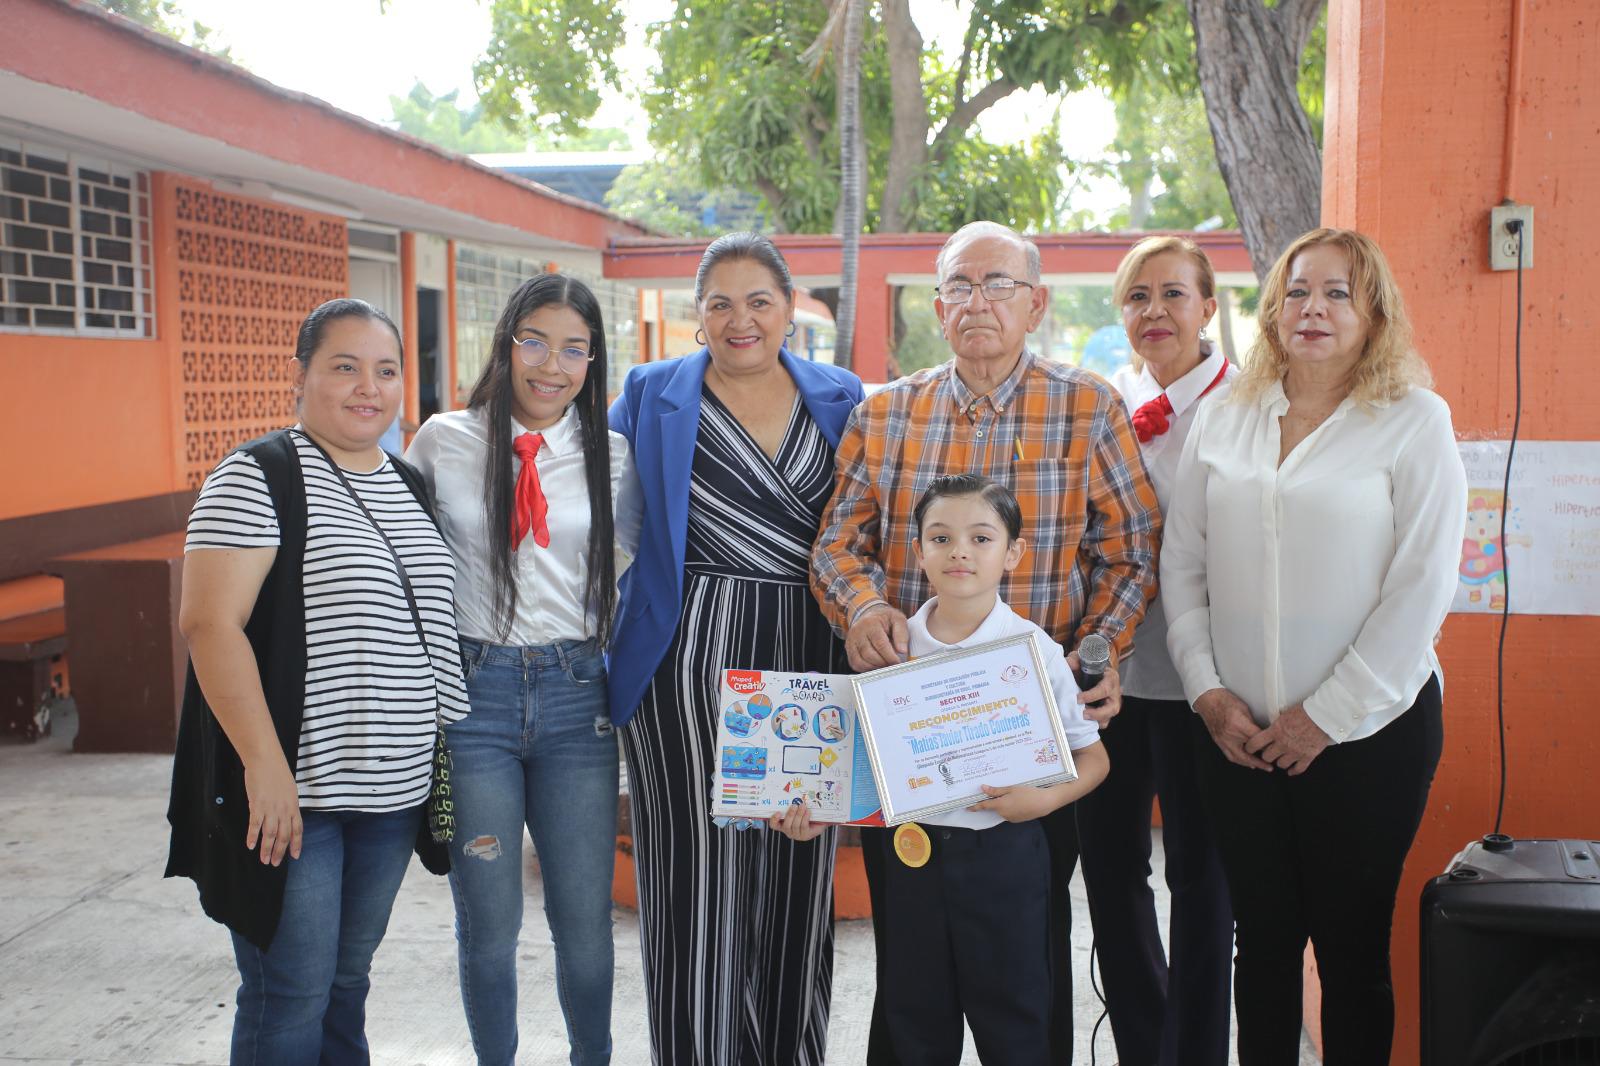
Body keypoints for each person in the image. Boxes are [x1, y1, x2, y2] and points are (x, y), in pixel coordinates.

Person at [812, 220, 1162, 1062]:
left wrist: (1100, 651)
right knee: (910, 963)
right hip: (910, 741)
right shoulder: (886, 411)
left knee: (1028, 958)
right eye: (961, 287)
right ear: (938, 307)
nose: (979, 303)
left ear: (1035, 302)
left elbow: (1132, 547)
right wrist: (861, 611)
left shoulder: (1088, 404)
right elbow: (837, 544)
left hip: (1030, 735)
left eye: (998, 284)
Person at [1161, 228, 1467, 1064]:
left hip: (1371, 735)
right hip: (1235, 734)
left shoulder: (1412, 421)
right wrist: (1207, 695)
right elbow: (1182, 566)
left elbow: (1422, 588)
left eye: (1338, 293)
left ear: (1374, 313)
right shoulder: (1226, 417)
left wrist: (1323, 718)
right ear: (1272, 310)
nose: (1315, 310)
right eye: (1298, 292)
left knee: (1351, 950)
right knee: (1258, 945)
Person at [165, 298, 471, 1065]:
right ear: (300, 376)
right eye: (344, 366)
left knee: (345, 983)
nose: (367, 386)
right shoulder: (256, 474)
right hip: (295, 801)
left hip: (391, 797)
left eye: (386, 370)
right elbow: (209, 624)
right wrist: (266, 768)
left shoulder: (408, 483)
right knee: (289, 993)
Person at [606, 232, 866, 1065]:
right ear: (697, 315)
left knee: (796, 878)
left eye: (759, 301)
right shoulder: (649, 393)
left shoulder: (845, 396)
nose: (740, 318)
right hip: (683, 666)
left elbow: (870, 523)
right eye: (720, 302)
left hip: (808, 660)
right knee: (690, 889)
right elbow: (594, 505)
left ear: (791, 309)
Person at [780, 475, 1110, 1064]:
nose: (960, 550)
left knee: (1016, 1020)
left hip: (1006, 861)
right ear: (918, 551)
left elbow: (1094, 758)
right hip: (911, 861)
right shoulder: (892, 651)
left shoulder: (1033, 651)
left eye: (981, 537)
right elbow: (861, 771)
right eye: (941, 537)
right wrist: (819, 813)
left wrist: (1040, 803)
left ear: (1013, 553)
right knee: (914, 1020)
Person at [405, 274, 642, 1066]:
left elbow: (635, 569)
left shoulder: (610, 454)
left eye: (575, 348)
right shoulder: (443, 440)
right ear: (506, 342)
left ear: (593, 360)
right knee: (489, 921)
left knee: (583, 921)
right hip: (474, 701)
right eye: (535, 340)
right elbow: (407, 558)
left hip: (580, 702)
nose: (553, 364)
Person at [1077, 236, 1235, 1066]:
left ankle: (1199, 1048)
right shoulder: (1103, 402)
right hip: (1114, 679)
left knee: (1202, 880)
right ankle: (1145, 1040)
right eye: (1137, 297)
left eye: (1173, 294)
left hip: (1207, 682)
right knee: (1108, 868)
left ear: (1209, 308)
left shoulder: (1251, 403)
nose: (1155, 312)